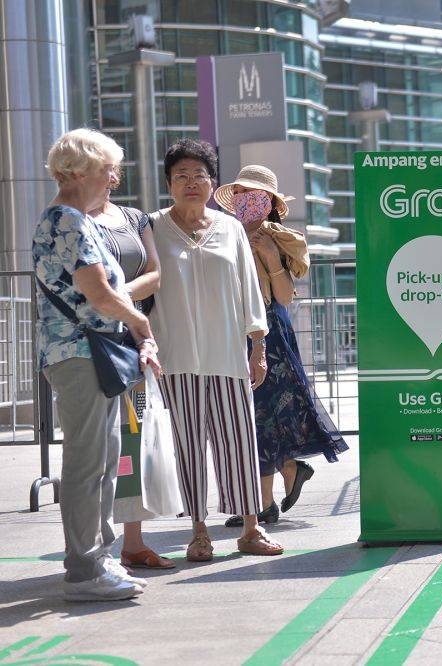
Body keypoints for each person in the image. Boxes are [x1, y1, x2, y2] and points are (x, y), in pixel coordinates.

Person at [34, 128, 162, 601]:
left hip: (86, 354)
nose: (114, 177)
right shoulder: (68, 220)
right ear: (83, 169)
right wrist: (140, 325)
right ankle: (86, 570)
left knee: (104, 461)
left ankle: (96, 560)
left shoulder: (71, 219)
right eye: (109, 168)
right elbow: (101, 293)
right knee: (91, 463)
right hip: (80, 354)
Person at [149, 139, 282, 561]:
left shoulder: (229, 229)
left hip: (227, 355)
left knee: (239, 441)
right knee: (187, 444)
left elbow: (249, 290)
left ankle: (251, 527)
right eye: (182, 176)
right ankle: (198, 529)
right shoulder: (151, 227)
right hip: (175, 357)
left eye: (200, 175)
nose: (191, 183)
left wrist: (257, 346)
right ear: (169, 183)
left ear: (213, 182)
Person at [213, 165, 348, 527]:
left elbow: (284, 297)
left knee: (263, 413)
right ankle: (284, 475)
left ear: (270, 202)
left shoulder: (281, 238)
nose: (245, 200)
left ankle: (265, 501)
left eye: (254, 194)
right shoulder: (222, 234)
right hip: (229, 329)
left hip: (269, 331)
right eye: (240, 193)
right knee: (251, 414)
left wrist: (271, 257)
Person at [88, 186, 174, 570]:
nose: (102, 178)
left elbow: (155, 274)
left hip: (132, 340)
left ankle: (133, 542)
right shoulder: (74, 220)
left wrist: (119, 296)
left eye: (108, 171)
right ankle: (93, 549)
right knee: (96, 448)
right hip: (92, 342)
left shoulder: (134, 218)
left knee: (132, 441)